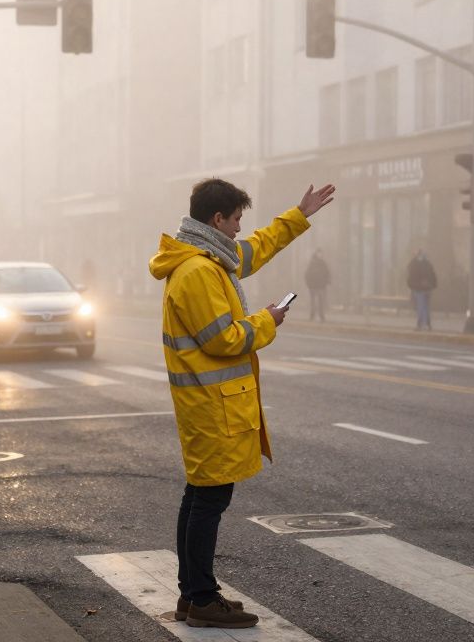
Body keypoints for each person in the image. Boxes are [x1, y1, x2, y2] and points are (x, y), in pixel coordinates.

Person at [149, 178, 335, 630]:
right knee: (208, 500)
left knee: (202, 497)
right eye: (235, 220)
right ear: (217, 220)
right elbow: (223, 338)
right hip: (211, 407)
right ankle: (200, 598)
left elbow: (255, 249)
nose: (238, 230)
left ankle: (195, 595)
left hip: (212, 403)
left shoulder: (211, 258)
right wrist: (266, 321)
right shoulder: (198, 271)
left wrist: (299, 214)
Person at [406, 248, 438, 330]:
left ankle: (421, 324)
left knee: (421, 306)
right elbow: (433, 274)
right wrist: (433, 285)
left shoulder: (414, 264)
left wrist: (411, 285)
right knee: (426, 306)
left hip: (418, 288)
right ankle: (427, 323)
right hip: (428, 288)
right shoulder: (428, 263)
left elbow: (411, 276)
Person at [304, 248, 331, 323]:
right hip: (313, 287)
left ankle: (321, 316)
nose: (320, 255)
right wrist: (309, 284)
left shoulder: (323, 263)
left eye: (321, 253)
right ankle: (312, 315)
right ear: (316, 254)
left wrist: (326, 282)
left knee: (321, 302)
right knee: (313, 302)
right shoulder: (312, 263)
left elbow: (327, 273)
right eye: (319, 253)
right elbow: (307, 274)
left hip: (321, 286)